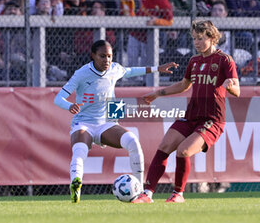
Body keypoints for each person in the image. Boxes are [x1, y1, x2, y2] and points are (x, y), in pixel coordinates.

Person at [53, 40, 178, 203]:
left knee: (133, 141)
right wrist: (70, 106)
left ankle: (140, 191)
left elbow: (131, 71)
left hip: (107, 123)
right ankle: (76, 186)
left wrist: (157, 69)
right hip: (83, 123)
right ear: (93, 56)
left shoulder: (114, 69)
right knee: (79, 151)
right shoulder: (82, 73)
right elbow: (58, 98)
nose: (107, 60)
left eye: (109, 56)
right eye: (102, 56)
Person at [133, 20, 240, 203]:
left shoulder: (225, 60)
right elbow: (184, 85)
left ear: (212, 37)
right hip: (191, 116)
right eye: (194, 39)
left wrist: (230, 86)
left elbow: (237, 91)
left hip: (212, 119)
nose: (196, 42)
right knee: (164, 146)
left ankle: (178, 194)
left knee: (183, 150)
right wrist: (158, 93)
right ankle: (147, 193)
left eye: (200, 38)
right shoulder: (194, 61)